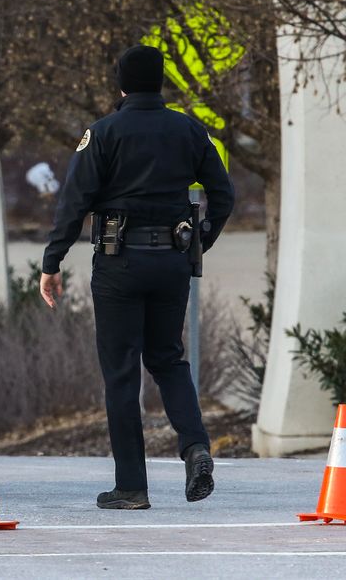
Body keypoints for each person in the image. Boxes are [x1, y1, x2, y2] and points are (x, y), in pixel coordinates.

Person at [38, 45, 235, 510]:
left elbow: (74, 202)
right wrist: (197, 242)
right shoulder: (189, 129)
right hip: (172, 262)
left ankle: (131, 487)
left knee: (123, 372)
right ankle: (195, 447)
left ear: (121, 84)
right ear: (161, 82)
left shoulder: (103, 133)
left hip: (118, 262)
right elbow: (222, 195)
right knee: (168, 359)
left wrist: (52, 262)